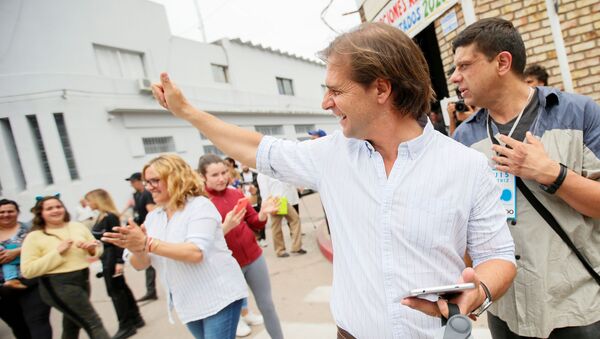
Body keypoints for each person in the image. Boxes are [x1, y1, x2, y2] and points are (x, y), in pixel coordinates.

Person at [150, 21, 517, 338]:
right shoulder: (330, 155)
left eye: (336, 90)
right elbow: (255, 148)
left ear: (381, 89)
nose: (326, 103)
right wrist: (187, 112)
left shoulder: (467, 166)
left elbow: (498, 256)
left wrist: (479, 290)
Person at [451, 18, 600, 339]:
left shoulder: (579, 113)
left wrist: (551, 173)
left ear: (502, 62)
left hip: (579, 306)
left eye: (464, 65)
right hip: (506, 308)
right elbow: (464, 224)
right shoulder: (464, 137)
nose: (454, 77)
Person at [102, 154, 247, 339]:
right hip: (187, 302)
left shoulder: (199, 207)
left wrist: (148, 243)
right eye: (147, 182)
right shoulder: (153, 218)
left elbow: (195, 252)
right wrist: (137, 247)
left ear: (176, 178)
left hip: (219, 296)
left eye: (155, 180)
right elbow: (141, 264)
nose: (149, 187)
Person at [197, 154, 284, 339]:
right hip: (226, 266)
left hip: (254, 258)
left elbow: (253, 222)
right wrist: (225, 228)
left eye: (224, 172)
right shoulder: (200, 203)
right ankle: (240, 320)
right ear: (203, 176)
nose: (221, 178)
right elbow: (200, 243)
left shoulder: (235, 193)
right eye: (214, 175)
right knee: (230, 312)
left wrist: (262, 214)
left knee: (267, 306)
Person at [20, 195, 110, 339]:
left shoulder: (76, 226)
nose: (56, 210)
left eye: (58, 206)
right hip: (58, 284)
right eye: (49, 208)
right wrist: (57, 252)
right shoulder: (34, 236)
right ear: (40, 213)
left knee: (72, 324)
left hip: (82, 278)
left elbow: (97, 247)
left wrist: (92, 249)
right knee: (93, 323)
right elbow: (28, 271)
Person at [85, 189, 145, 339]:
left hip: (111, 257)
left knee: (115, 291)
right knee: (121, 288)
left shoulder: (110, 217)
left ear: (97, 200)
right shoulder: (101, 216)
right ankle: (136, 318)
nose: (88, 203)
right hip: (106, 256)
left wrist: (119, 262)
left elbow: (118, 240)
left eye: (90, 200)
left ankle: (126, 325)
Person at [0, 199, 52, 339]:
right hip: (3, 290)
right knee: (18, 326)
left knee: (37, 321)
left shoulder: (30, 229)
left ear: (17, 212)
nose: (6, 214)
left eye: (10, 211)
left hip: (31, 283)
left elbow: (45, 247)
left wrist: (18, 251)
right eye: (2, 212)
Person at [125, 172, 158, 302]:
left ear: (140, 181)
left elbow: (152, 211)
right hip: (144, 228)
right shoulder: (138, 195)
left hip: (148, 230)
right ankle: (151, 290)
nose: (131, 184)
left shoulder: (146, 194)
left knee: (151, 259)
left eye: (133, 181)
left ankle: (151, 291)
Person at [257, 173, 306, 257]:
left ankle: (296, 247)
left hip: (283, 200)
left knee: (295, 219)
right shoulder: (262, 174)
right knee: (276, 227)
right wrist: (269, 205)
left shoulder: (274, 169)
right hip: (274, 201)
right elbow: (264, 192)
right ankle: (280, 250)